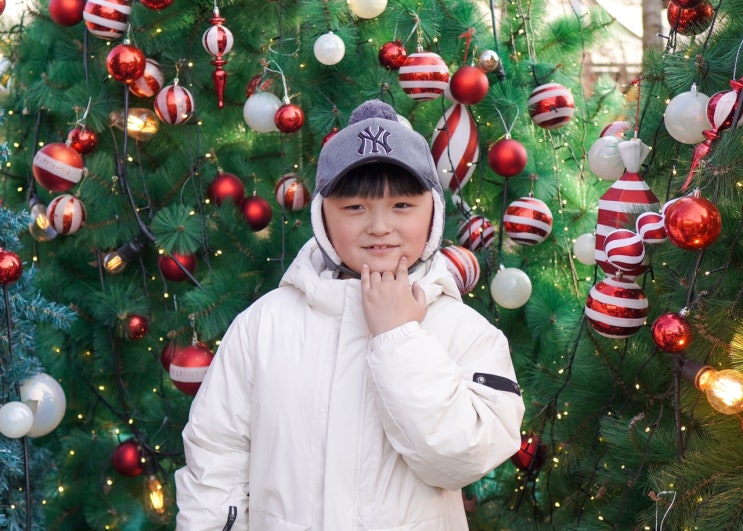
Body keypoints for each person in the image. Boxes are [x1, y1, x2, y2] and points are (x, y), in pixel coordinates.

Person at [174, 99, 525, 530]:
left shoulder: (463, 332)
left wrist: (400, 337)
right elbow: (216, 456)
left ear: (433, 211)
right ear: (323, 215)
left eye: (402, 206)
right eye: (355, 207)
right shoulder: (265, 325)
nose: (379, 226)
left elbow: (461, 459)